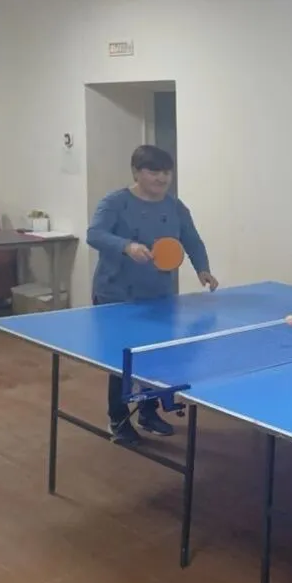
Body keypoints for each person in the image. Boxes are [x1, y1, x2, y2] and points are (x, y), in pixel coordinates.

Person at [86, 145, 218, 446]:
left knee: (156, 359)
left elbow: (192, 240)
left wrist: (203, 269)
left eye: (166, 172)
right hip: (116, 295)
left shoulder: (175, 207)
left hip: (158, 295)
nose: (162, 178)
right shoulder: (115, 202)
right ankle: (119, 419)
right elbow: (94, 234)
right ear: (136, 172)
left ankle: (147, 411)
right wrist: (126, 246)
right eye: (154, 171)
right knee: (121, 364)